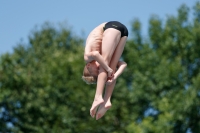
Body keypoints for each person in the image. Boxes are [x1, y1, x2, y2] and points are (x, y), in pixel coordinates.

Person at [82, 21, 128, 120]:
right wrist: (114, 76)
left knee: (105, 63)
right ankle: (107, 100)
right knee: (111, 66)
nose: (100, 72)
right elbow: (124, 64)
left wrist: (107, 69)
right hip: (123, 33)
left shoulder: (87, 58)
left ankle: (98, 96)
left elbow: (95, 54)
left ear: (89, 66)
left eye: (97, 71)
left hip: (111, 27)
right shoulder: (94, 61)